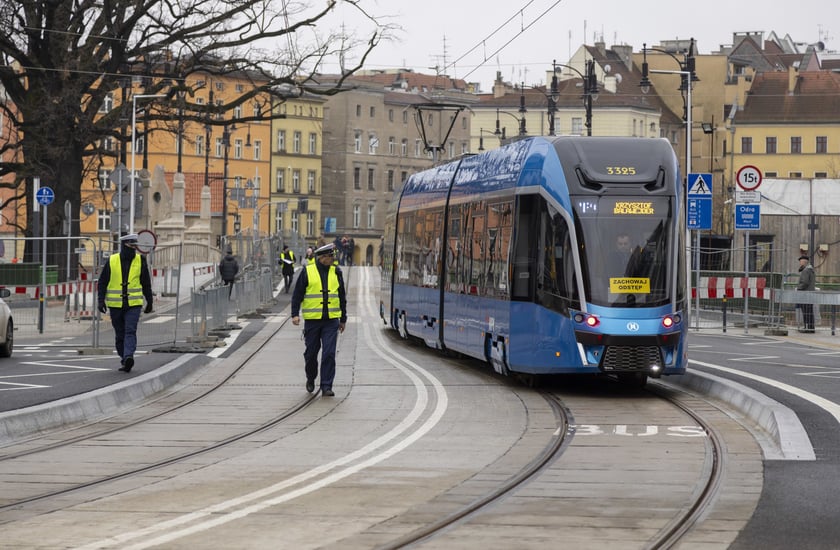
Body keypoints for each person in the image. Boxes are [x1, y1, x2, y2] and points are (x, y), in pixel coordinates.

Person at [291, 242, 347, 397]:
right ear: (323, 258)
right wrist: (294, 314)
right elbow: (298, 294)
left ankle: (326, 385)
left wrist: (343, 319)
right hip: (313, 321)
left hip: (331, 321)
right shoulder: (307, 271)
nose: (333, 259)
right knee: (311, 354)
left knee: (329, 353)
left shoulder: (336, 272)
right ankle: (311, 377)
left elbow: (342, 296)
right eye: (331, 256)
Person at [97, 233, 154, 373]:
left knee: (130, 330)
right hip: (116, 306)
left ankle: (129, 356)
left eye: (135, 247)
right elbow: (102, 282)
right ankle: (124, 358)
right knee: (120, 334)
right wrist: (101, 301)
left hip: (133, 304)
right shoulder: (112, 260)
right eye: (131, 246)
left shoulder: (140, 260)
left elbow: (146, 283)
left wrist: (149, 301)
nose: (134, 249)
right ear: (124, 246)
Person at [796, 254, 816, 332]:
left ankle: (807, 328)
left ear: (804, 262)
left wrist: (798, 288)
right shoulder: (811, 270)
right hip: (810, 294)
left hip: (805, 294)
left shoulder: (805, 271)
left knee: (806, 312)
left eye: (801, 262)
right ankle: (811, 328)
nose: (800, 263)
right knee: (809, 311)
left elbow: (804, 282)